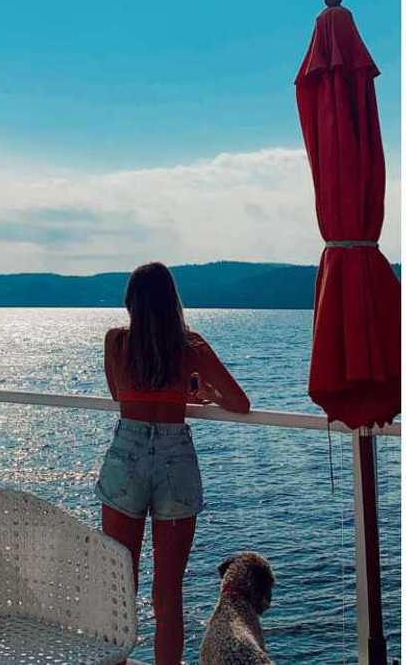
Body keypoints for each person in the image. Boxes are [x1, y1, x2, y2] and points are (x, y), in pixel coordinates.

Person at [97, 262, 251, 664]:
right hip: (174, 459)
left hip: (127, 454)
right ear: (172, 303)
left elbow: (119, 395)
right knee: (167, 590)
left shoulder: (116, 342)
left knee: (119, 581)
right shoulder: (190, 346)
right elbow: (240, 402)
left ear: (131, 302)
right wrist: (203, 395)